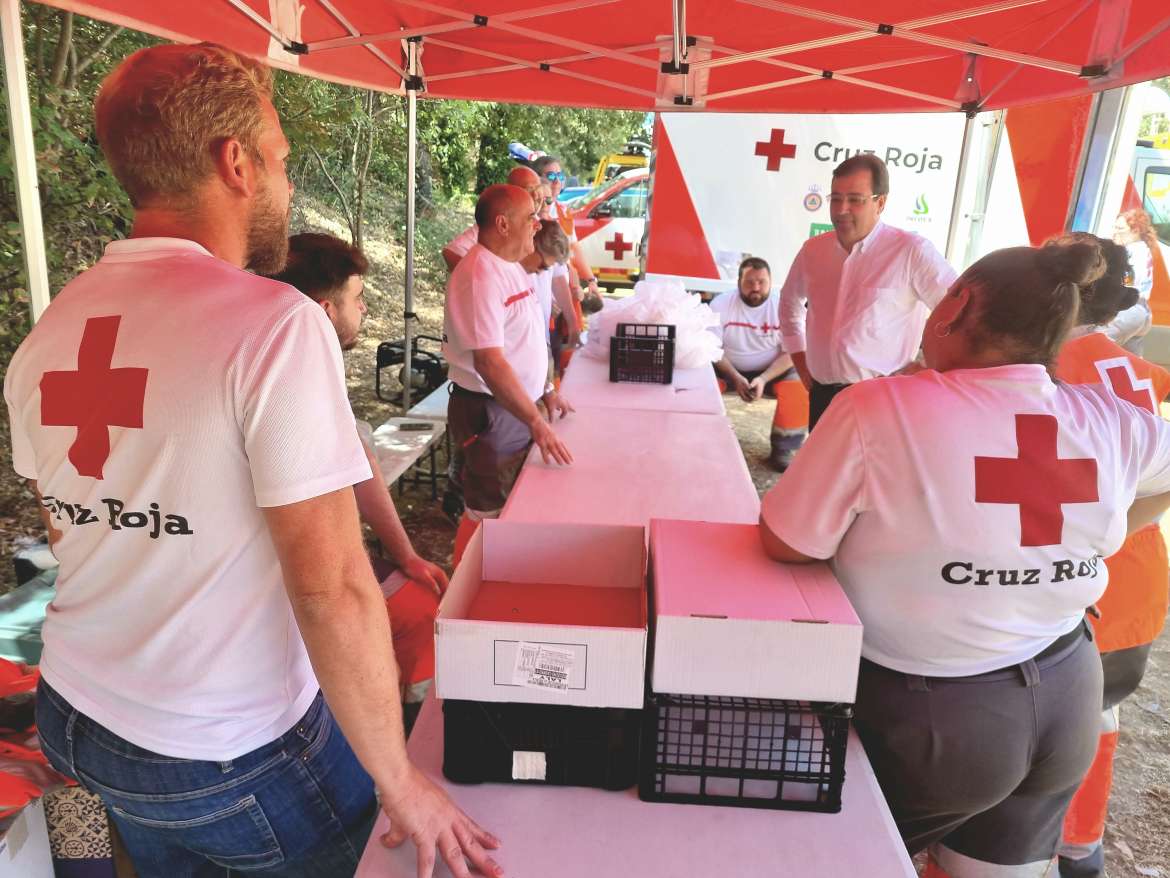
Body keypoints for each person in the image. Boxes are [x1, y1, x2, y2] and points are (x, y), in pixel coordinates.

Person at [4, 43, 500, 878]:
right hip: (228, 752)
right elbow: (333, 586)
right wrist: (400, 781)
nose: (286, 182)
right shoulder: (272, 325)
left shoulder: (52, 329)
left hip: (78, 720)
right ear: (235, 164)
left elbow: (69, 520)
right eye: (279, 159)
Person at [759, 241, 1170, 877]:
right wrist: (1097, 539)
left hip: (934, 716)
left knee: (823, 859)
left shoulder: (880, 409)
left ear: (959, 303)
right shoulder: (1108, 417)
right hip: (1068, 692)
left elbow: (788, 541)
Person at [268, 232, 449, 713]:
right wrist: (398, 562)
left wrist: (405, 555)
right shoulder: (297, 377)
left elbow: (360, 467)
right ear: (325, 311)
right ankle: (403, 726)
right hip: (292, 578)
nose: (365, 309)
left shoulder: (287, 359)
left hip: (300, 566)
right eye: (358, 298)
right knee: (415, 616)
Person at [1051, 232, 1168, 878]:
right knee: (1100, 711)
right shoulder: (1135, 369)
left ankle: (1025, 846)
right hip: (1139, 576)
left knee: (1043, 712)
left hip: (1071, 574)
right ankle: (1081, 845)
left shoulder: (1044, 367)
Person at [444, 185, 574, 565]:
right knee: (488, 511)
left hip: (511, 406)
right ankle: (464, 596)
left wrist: (546, 388)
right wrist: (535, 420)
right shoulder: (480, 275)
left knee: (511, 505)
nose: (537, 225)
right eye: (529, 218)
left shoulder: (512, 267)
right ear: (502, 224)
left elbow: (527, 337)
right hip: (490, 412)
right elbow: (489, 362)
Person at [778, 154, 957, 429]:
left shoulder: (910, 252)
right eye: (835, 198)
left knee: (874, 474)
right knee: (823, 472)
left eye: (855, 200)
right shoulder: (813, 251)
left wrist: (923, 365)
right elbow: (789, 302)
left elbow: (955, 312)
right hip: (824, 396)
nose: (841, 209)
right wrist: (800, 361)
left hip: (882, 399)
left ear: (880, 202)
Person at [709, 256, 808, 472]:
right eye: (749, 282)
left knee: (800, 385)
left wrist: (763, 379)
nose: (756, 287)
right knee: (701, 386)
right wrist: (736, 377)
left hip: (772, 371)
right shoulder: (721, 304)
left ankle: (786, 450)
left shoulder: (785, 306)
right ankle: (703, 445)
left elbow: (793, 352)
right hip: (727, 369)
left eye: (761, 282)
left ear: (770, 282)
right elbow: (711, 348)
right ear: (738, 282)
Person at [442, 166, 543, 272]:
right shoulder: (497, 222)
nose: (536, 195)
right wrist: (479, 278)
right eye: (529, 189)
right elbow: (451, 252)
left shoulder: (540, 222)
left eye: (538, 189)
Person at [1106, 208, 1161, 354]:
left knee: (1095, 343)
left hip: (1128, 312)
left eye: (1120, 228)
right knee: (1132, 363)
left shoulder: (1131, 252)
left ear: (1135, 230)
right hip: (1142, 313)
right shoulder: (1143, 249)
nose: (1114, 231)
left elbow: (1126, 284)